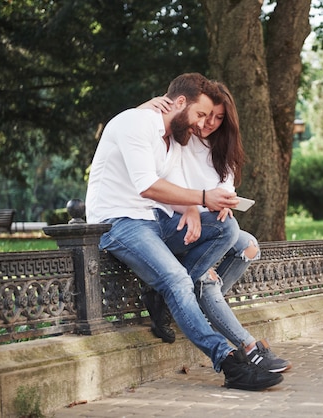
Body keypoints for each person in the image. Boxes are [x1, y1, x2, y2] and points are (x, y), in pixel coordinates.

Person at [85, 72, 283, 391]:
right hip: (118, 223)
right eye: (200, 114)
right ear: (179, 103)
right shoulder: (134, 123)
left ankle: (165, 296)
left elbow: (173, 187)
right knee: (177, 279)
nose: (202, 124)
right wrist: (203, 198)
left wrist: (191, 208)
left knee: (225, 227)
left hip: (153, 220)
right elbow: (148, 186)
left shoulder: (174, 138)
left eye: (209, 117)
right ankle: (231, 364)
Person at [138, 82, 291, 373]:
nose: (209, 123)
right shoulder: (184, 134)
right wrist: (149, 104)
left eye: (218, 118)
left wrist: (223, 205)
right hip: (179, 217)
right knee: (207, 277)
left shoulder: (223, 149)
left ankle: (193, 297)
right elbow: (169, 175)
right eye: (207, 115)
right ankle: (247, 346)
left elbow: (225, 187)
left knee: (248, 245)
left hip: (208, 219)